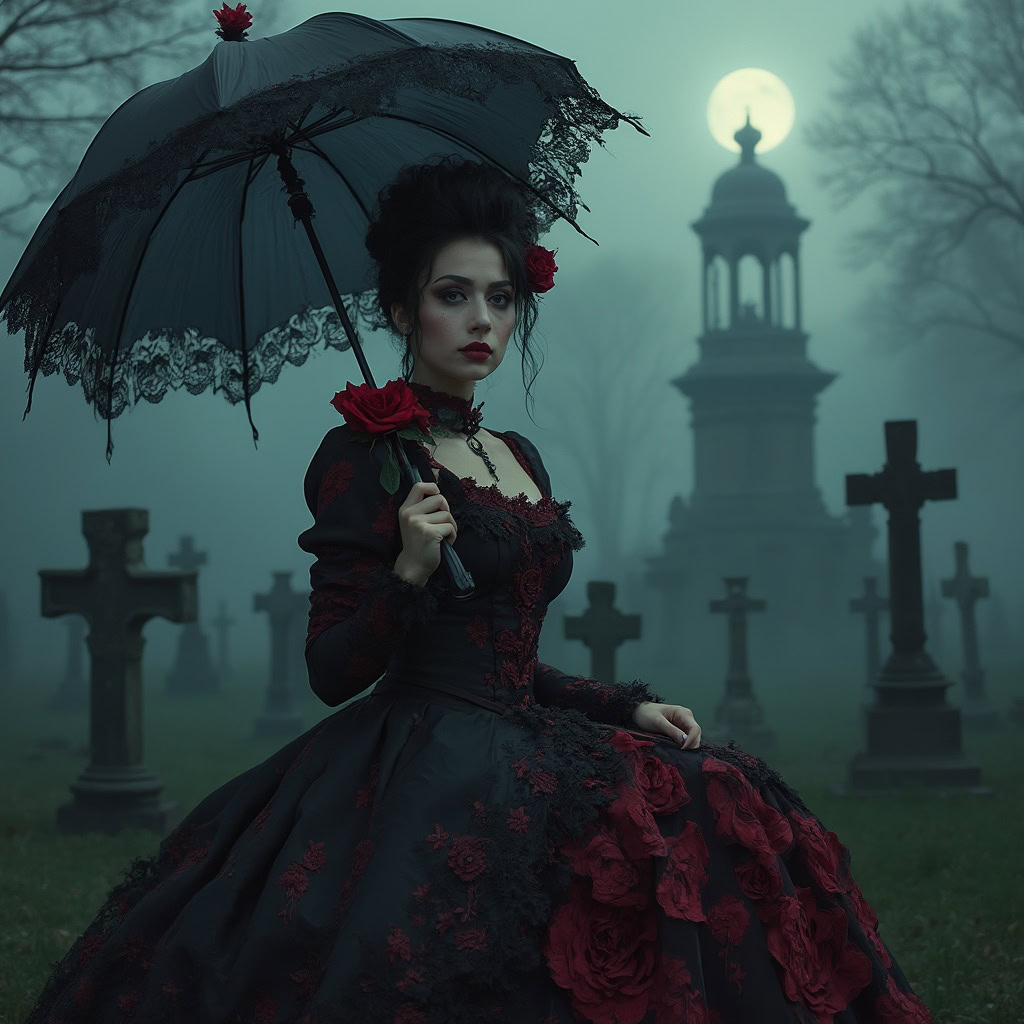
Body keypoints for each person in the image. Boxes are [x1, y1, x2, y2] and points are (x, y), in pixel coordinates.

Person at [22, 155, 933, 1024]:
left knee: (724, 790)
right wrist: (407, 575)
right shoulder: (363, 459)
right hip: (424, 763)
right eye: (452, 296)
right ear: (401, 309)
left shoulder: (515, 455)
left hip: (523, 729)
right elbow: (333, 669)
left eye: (500, 298)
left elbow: (506, 656)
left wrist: (621, 706)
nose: (482, 321)